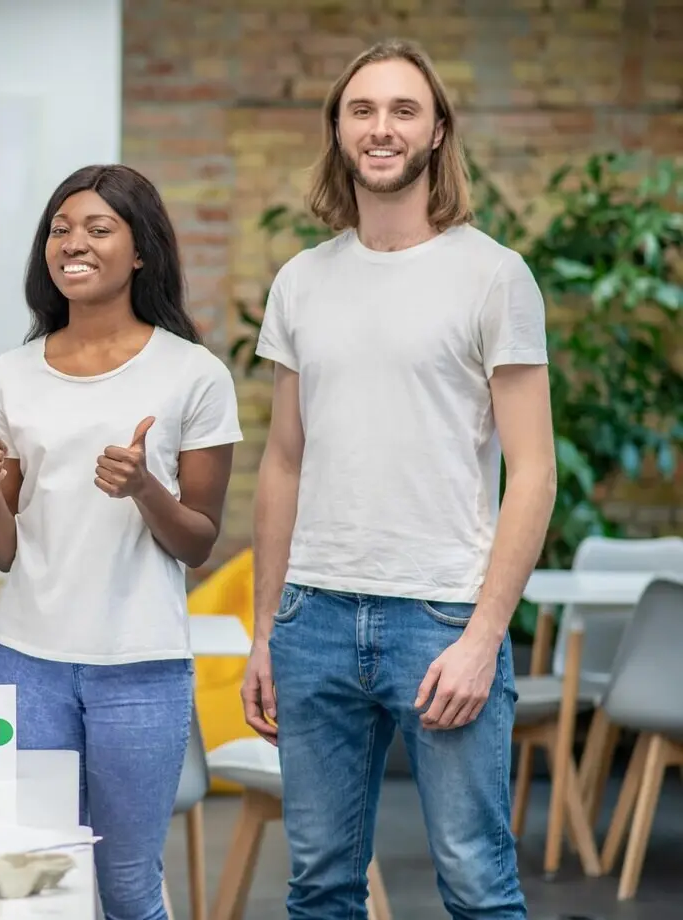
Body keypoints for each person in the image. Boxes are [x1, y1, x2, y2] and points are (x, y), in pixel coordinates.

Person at [242, 38, 552, 919]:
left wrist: (486, 636)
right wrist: (267, 631)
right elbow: (284, 461)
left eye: (403, 110)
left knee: (477, 885)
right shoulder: (302, 281)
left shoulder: (493, 275)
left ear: (437, 131)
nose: (382, 128)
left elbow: (533, 470)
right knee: (319, 888)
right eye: (363, 111)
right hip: (314, 619)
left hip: (442, 618)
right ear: (339, 131)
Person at [0, 164, 242, 919]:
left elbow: (199, 542)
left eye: (97, 228)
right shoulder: (11, 374)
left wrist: (146, 487)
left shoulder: (193, 374)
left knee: (126, 883)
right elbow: (1, 550)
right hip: (29, 663)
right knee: (36, 885)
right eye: (60, 228)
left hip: (140, 669)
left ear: (141, 250)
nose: (72, 243)